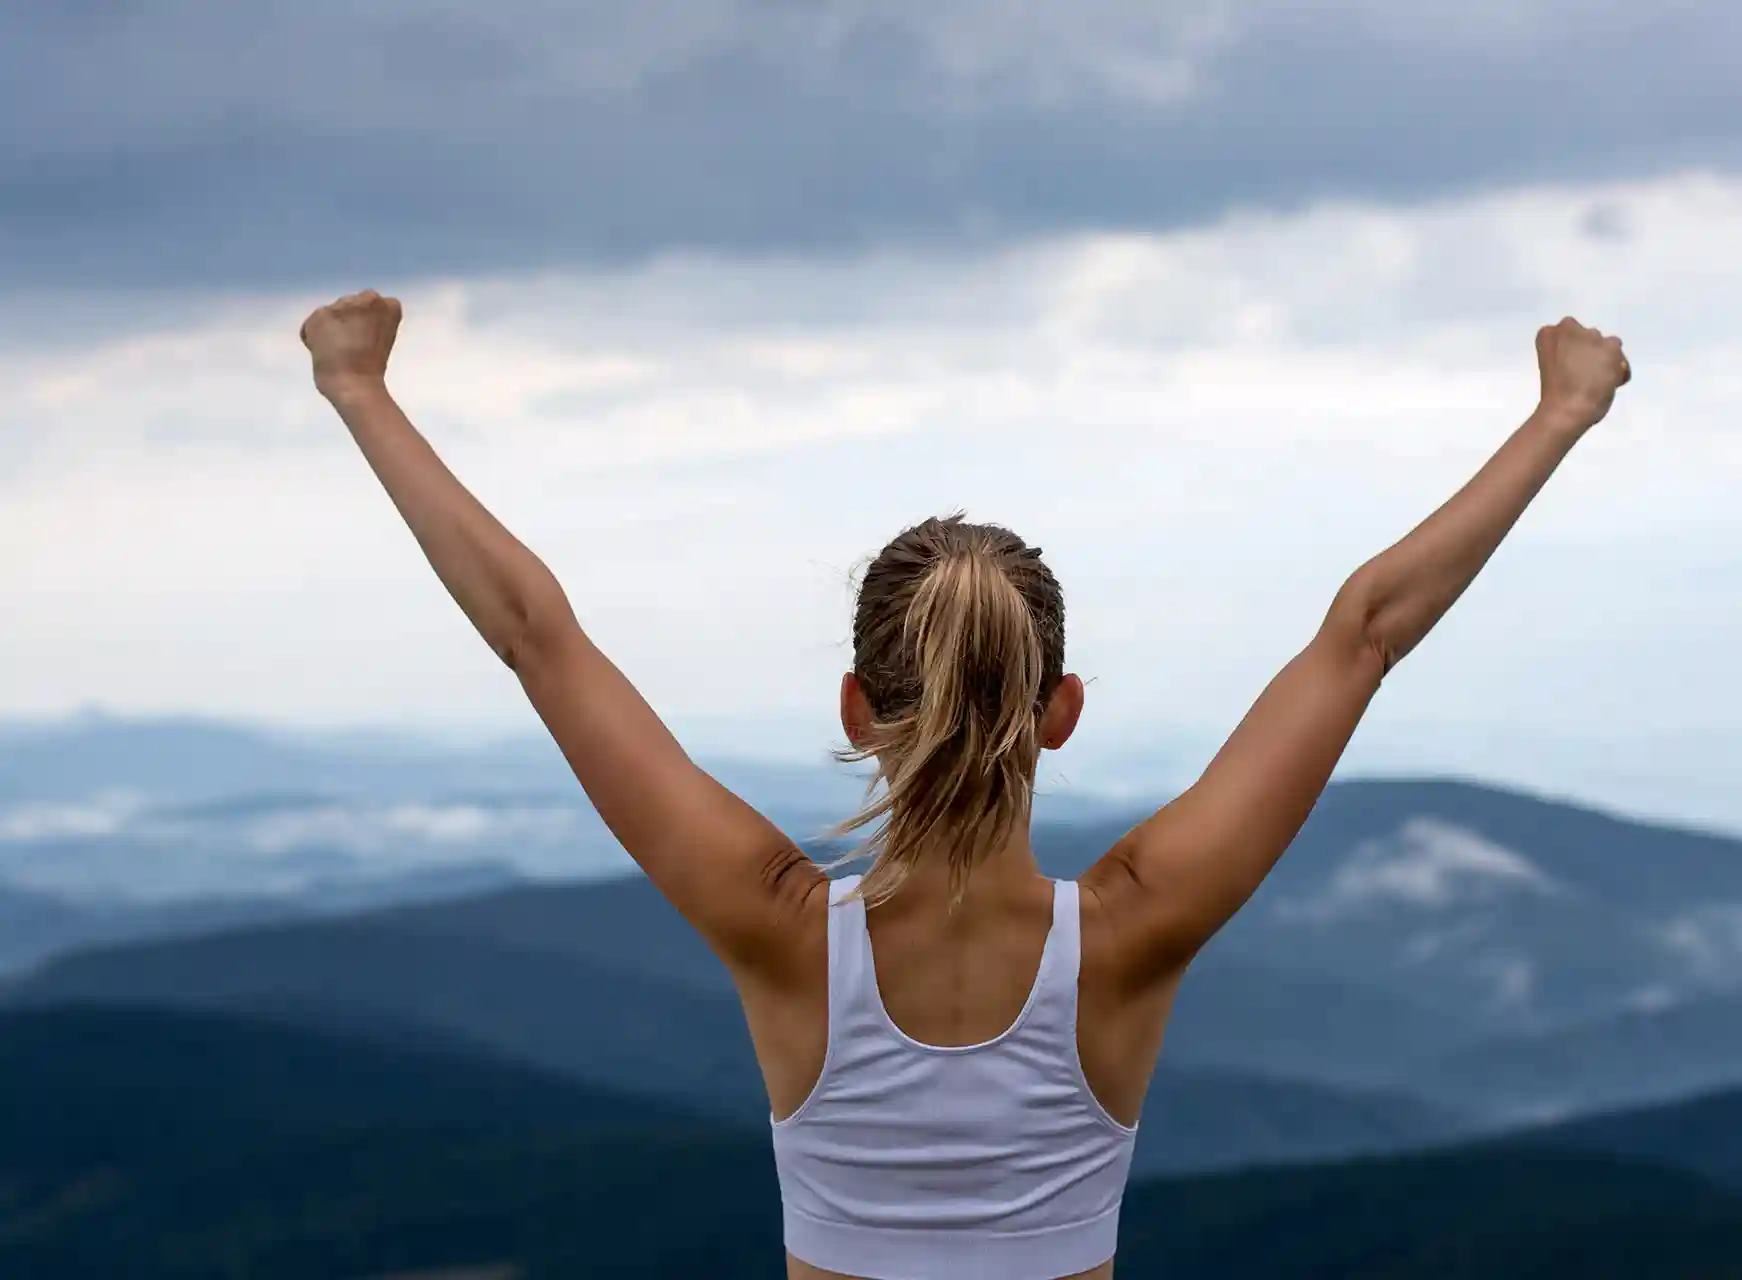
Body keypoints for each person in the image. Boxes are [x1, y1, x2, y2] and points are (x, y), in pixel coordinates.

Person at [300, 292, 1631, 1280]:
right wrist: (1560, 413)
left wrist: (360, 387)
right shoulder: (1130, 932)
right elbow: (1367, 631)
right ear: (1061, 715)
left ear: (853, 713)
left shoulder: (777, 931)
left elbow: (536, 634)